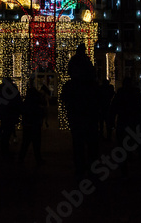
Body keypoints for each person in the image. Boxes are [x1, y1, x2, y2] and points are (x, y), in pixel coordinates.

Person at [61, 43, 100, 181]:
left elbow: (64, 98)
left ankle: (80, 169)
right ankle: (93, 170)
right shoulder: (87, 64)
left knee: (78, 144)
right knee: (92, 144)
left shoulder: (72, 80)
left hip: (77, 116)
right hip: (89, 115)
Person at [110, 77, 141, 177]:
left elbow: (113, 108)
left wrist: (112, 121)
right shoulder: (136, 93)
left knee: (122, 147)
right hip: (135, 122)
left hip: (123, 122)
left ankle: (124, 171)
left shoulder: (120, 94)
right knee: (140, 146)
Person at [19, 83, 46, 165]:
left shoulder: (26, 103)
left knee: (25, 143)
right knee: (36, 143)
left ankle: (21, 158)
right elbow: (41, 112)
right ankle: (38, 159)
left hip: (28, 125)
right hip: (35, 125)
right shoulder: (36, 102)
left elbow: (23, 112)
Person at [0, 78, 23, 159]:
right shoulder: (12, 90)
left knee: (5, 130)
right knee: (8, 131)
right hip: (11, 114)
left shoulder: (1, 89)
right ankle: (5, 148)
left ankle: (4, 147)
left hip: (5, 113)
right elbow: (17, 101)